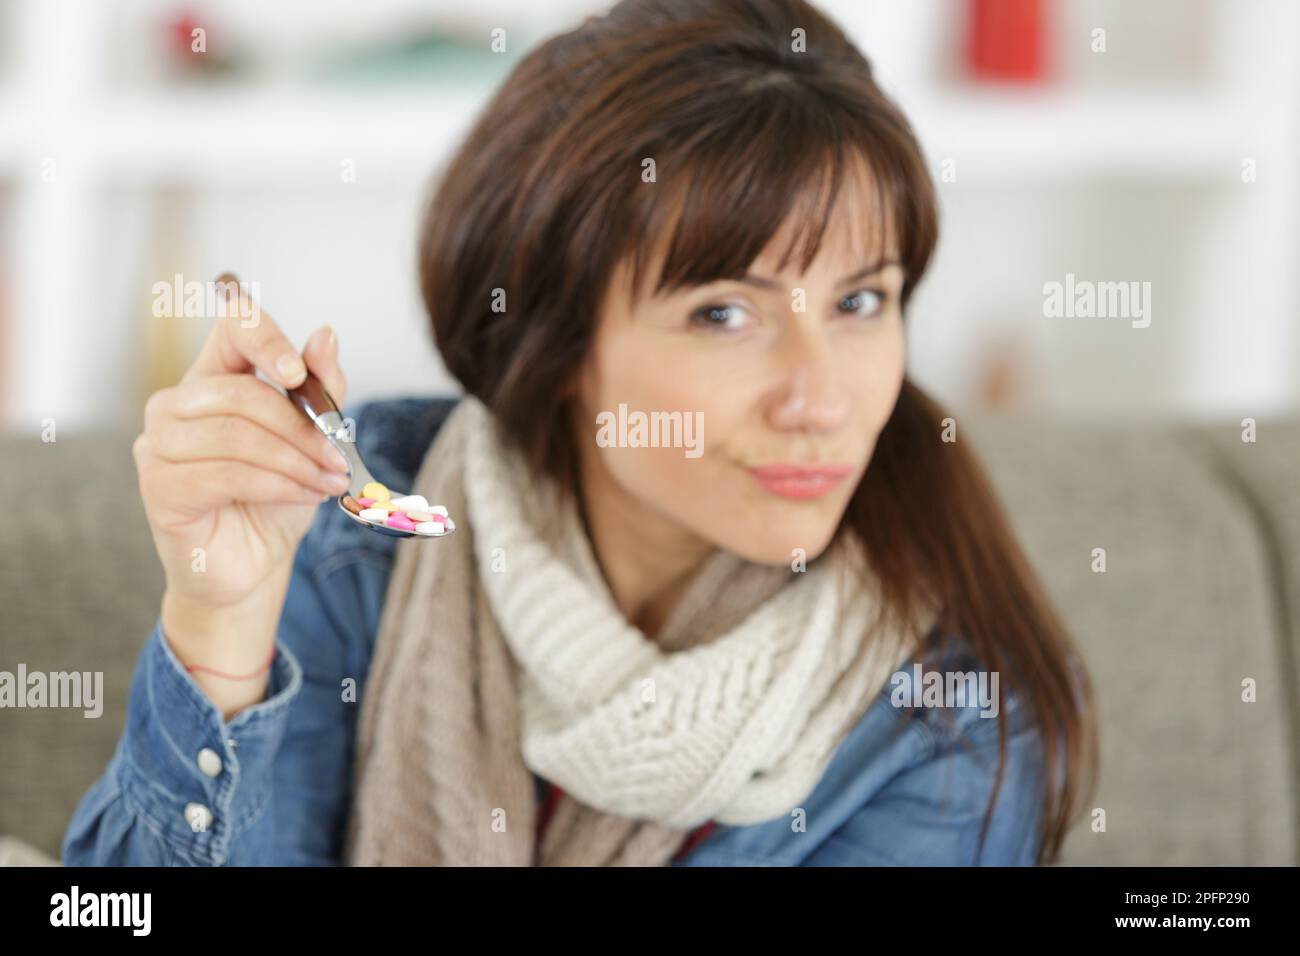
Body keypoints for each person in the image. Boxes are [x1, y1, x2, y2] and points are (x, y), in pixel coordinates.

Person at [63, 0, 1096, 867]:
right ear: (558, 347)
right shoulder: (357, 534)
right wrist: (221, 625)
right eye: (724, 313)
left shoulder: (946, 724)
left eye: (861, 301)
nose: (820, 398)